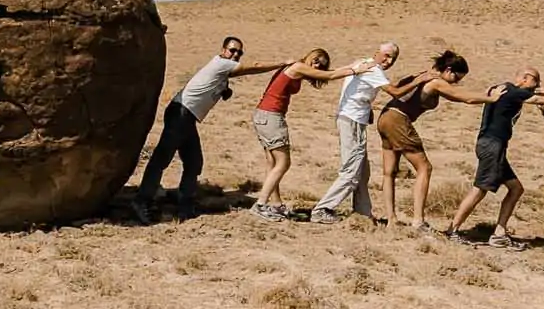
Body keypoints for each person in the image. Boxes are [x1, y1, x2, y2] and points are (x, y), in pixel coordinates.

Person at [135, 36, 285, 223]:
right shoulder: (221, 63)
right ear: (223, 50)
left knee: (194, 162)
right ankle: (142, 201)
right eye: (232, 50)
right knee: (162, 158)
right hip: (181, 113)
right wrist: (282, 63)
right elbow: (252, 67)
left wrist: (224, 91)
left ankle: (185, 205)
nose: (235, 55)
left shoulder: (222, 71)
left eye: (239, 52)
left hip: (187, 117)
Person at [445, 68, 544, 247]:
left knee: (516, 189)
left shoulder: (503, 89)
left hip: (489, 145)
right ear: (525, 79)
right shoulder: (514, 93)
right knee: (480, 189)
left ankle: (499, 233)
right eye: (536, 81)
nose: (538, 85)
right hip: (493, 146)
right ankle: (453, 230)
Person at [372, 50, 489, 232]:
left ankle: (391, 219)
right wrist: (493, 98)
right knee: (424, 168)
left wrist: (485, 94)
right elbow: (467, 98)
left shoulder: (421, 75)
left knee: (389, 172)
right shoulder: (435, 81)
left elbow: (454, 96)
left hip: (385, 117)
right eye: (456, 78)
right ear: (448, 70)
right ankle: (418, 221)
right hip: (398, 120)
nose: (455, 82)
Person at [250, 49, 372, 219]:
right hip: (270, 116)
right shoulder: (298, 67)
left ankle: (275, 204)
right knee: (283, 163)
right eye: (315, 60)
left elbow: (326, 73)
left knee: (273, 162)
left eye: (319, 64)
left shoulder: (300, 68)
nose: (316, 65)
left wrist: (351, 66)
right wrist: (354, 71)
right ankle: (260, 204)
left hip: (264, 115)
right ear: (309, 55)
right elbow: (327, 76)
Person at [309, 43, 403, 224]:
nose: (388, 61)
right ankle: (323, 209)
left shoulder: (363, 63)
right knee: (351, 171)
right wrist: (418, 80)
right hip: (352, 121)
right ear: (377, 52)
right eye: (386, 55)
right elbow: (395, 92)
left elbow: (358, 91)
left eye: (393, 58)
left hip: (352, 120)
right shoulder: (373, 70)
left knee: (362, 171)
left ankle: (363, 212)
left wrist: (368, 110)